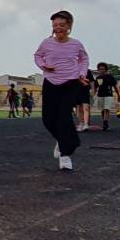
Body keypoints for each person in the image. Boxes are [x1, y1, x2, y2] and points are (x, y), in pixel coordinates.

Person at [33, 9, 89, 171]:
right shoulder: (46, 43)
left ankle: (65, 155)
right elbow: (37, 56)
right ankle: (63, 140)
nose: (58, 28)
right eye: (55, 25)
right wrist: (43, 65)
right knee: (48, 119)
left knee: (64, 117)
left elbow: (84, 59)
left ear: (69, 26)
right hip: (51, 82)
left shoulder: (76, 44)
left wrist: (82, 73)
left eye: (62, 25)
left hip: (71, 83)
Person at [91, 62, 120, 132]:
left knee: (107, 109)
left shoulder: (110, 77)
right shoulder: (98, 78)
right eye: (100, 69)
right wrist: (93, 95)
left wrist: (118, 95)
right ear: (98, 70)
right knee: (102, 110)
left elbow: (115, 86)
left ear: (106, 70)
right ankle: (105, 121)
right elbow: (95, 87)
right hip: (100, 95)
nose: (102, 70)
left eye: (103, 69)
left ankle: (105, 123)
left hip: (108, 95)